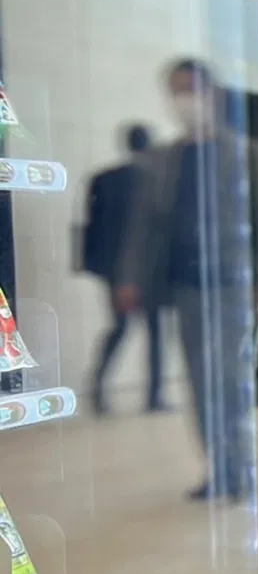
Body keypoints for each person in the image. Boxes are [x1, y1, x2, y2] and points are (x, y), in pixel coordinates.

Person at [118, 59, 258, 501]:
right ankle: (218, 470)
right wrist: (129, 278)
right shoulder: (163, 160)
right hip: (186, 288)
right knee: (200, 383)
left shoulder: (248, 154)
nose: (182, 99)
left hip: (234, 287)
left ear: (210, 93)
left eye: (189, 89)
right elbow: (142, 226)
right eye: (174, 91)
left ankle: (242, 469)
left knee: (231, 380)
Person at [82, 124, 166, 415]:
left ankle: (98, 387)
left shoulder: (104, 180)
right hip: (147, 269)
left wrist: (99, 269)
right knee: (153, 331)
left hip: (114, 270)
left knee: (121, 327)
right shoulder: (153, 181)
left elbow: (91, 230)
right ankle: (154, 396)